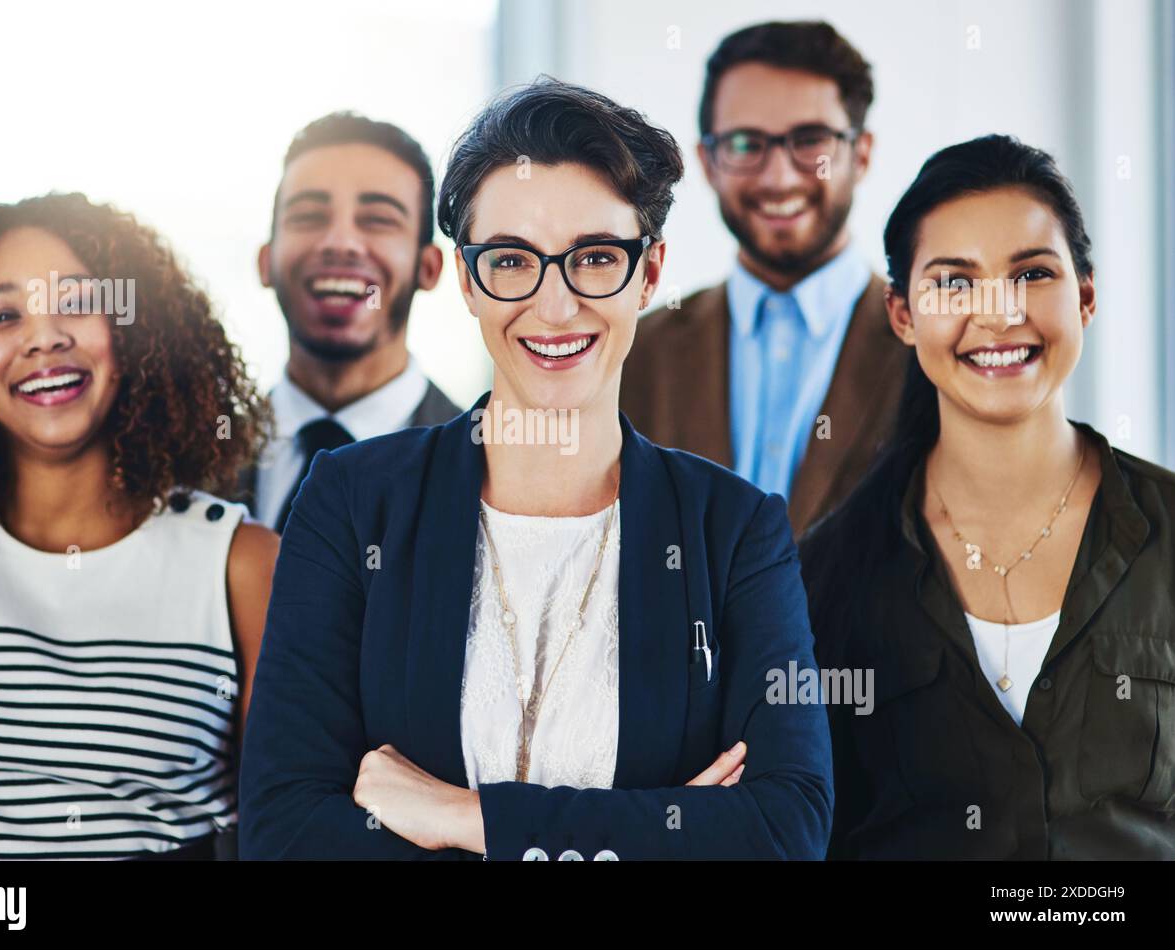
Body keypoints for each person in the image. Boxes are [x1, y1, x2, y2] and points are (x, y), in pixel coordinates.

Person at [240, 78, 833, 861]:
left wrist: (462, 818)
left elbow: (784, 832)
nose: (555, 307)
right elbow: (285, 831)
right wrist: (657, 830)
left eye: (594, 258)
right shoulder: (353, 500)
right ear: (466, 279)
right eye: (513, 261)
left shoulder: (734, 529)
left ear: (650, 274)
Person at [800, 135, 1175, 859]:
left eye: (1031, 273)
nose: (999, 315)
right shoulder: (824, 576)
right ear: (903, 315)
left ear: (1086, 297)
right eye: (954, 282)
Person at [0, 194, 278, 859]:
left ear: (136, 331)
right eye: (3, 315)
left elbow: (289, 824)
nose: (44, 337)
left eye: (77, 304)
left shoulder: (241, 565)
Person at [621, 20, 910, 537]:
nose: (778, 177)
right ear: (708, 161)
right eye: (745, 143)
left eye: (810, 140)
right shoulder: (635, 351)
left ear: (860, 154)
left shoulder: (929, 350)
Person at [234, 113, 462, 532]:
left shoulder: (483, 469)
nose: (339, 242)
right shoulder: (191, 463)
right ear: (266, 262)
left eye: (378, 220)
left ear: (429, 268)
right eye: (308, 217)